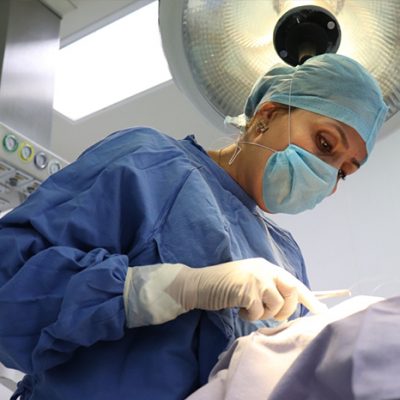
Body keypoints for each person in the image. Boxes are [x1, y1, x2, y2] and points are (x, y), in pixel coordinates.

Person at [0, 53, 387, 400]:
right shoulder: (149, 162)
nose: (328, 175)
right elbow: (10, 291)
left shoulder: (286, 259)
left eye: (344, 171)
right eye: (324, 144)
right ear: (266, 117)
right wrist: (175, 288)